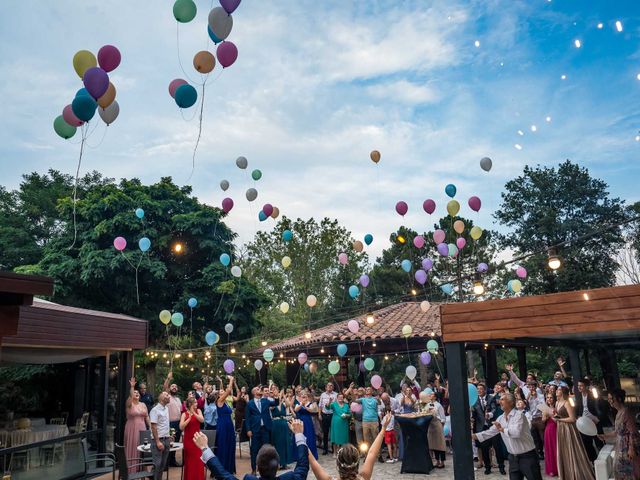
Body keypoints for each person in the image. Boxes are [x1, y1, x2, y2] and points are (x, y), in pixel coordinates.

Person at [195, 419, 309, 480]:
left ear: (257, 467)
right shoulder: (291, 478)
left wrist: (204, 447)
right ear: (278, 465)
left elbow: (222, 474)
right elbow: (303, 465)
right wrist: (298, 434)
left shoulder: (249, 479)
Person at [473, 393, 543, 480]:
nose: (499, 401)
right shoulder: (500, 418)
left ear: (510, 402)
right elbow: (489, 433)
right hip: (513, 458)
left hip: (528, 457)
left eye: (502, 399)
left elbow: (516, 433)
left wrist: (502, 429)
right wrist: (473, 436)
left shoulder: (519, 415)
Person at [308, 413, 392, 480]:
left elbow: (313, 462)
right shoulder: (365, 476)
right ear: (357, 461)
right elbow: (372, 453)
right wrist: (383, 428)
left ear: (337, 463)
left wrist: (299, 436)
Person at [554, 386, 595, 480]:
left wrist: (560, 419)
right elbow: (558, 416)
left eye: (559, 389)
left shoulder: (567, 403)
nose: (557, 391)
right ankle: (567, 473)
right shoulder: (557, 402)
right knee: (564, 449)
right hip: (560, 428)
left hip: (568, 428)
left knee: (572, 448)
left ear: (563, 392)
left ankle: (576, 472)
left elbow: (572, 418)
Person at [598, 388, 640, 480]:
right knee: (619, 469)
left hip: (627, 446)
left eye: (611, 398)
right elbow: (618, 432)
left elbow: (633, 432)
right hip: (620, 445)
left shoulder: (626, 412)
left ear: (619, 399)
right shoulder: (618, 413)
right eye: (608, 399)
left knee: (628, 470)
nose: (609, 401)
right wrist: (606, 436)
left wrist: (631, 448)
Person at [472, 383, 506, 475]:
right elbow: (474, 413)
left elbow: (494, 409)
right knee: (484, 449)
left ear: (485, 390)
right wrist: (472, 417)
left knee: (497, 448)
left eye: (480, 389)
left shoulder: (491, 398)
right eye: (477, 389)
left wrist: (489, 414)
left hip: (492, 426)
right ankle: (487, 467)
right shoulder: (474, 401)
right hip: (481, 428)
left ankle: (501, 467)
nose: (478, 390)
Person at [247, 385, 278, 474]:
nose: (259, 390)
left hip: (265, 429)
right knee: (254, 450)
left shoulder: (265, 401)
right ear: (253, 392)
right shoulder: (250, 403)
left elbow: (275, 403)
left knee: (267, 450)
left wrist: (275, 396)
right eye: (257, 389)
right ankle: (253, 469)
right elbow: (247, 418)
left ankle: (267, 469)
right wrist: (248, 430)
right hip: (255, 430)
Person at [124, 377, 150, 473]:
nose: (137, 394)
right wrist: (132, 387)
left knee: (142, 447)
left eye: (138, 393)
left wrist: (150, 427)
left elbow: (147, 416)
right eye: (135, 393)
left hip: (142, 427)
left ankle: (142, 469)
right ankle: (131, 469)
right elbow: (131, 397)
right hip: (132, 428)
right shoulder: (129, 404)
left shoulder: (143, 404)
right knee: (134, 446)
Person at [574, 378, 603, 462]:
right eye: (578, 385)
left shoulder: (593, 395)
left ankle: (602, 461)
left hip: (594, 421)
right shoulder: (578, 396)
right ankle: (593, 461)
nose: (579, 387)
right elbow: (577, 408)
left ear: (586, 387)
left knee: (599, 441)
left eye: (581, 385)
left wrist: (598, 418)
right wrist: (577, 417)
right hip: (584, 423)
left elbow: (602, 407)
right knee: (587, 444)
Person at [181, 396, 205, 480]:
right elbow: (181, 427)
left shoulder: (198, 411)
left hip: (197, 440)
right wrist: (189, 418)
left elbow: (202, 420)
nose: (197, 403)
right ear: (190, 404)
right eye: (195, 402)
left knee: (198, 460)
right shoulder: (184, 414)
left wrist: (194, 413)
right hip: (188, 441)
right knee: (190, 462)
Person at [216, 376, 237, 474]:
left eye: (222, 392)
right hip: (223, 426)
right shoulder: (219, 402)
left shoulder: (226, 403)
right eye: (220, 393)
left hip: (229, 425)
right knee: (223, 446)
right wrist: (231, 380)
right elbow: (228, 391)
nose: (222, 393)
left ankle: (229, 468)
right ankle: (222, 469)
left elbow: (228, 392)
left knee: (230, 445)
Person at [150, 391, 172, 480]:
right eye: (167, 395)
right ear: (162, 398)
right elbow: (153, 427)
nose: (169, 396)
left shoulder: (166, 408)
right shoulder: (155, 410)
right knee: (157, 465)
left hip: (166, 439)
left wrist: (169, 436)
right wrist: (158, 441)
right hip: (158, 440)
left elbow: (164, 424)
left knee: (163, 465)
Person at [270, 386, 293, 469]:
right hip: (275, 424)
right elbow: (272, 407)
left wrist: (283, 396)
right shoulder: (271, 402)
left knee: (285, 442)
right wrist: (277, 397)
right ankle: (277, 463)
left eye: (276, 389)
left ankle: (285, 463)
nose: (275, 391)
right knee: (277, 443)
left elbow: (289, 404)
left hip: (283, 423)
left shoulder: (283, 403)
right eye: (273, 390)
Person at [163, 372, 183, 467]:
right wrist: (168, 379)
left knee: (176, 442)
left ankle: (173, 460)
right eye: (172, 386)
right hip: (170, 423)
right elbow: (165, 387)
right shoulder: (168, 397)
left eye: (175, 387)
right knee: (169, 442)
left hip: (178, 423)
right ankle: (166, 461)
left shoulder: (178, 399)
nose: (174, 388)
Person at [293, 390, 318, 459]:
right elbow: (296, 410)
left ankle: (310, 454)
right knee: (300, 436)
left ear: (307, 397)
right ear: (300, 397)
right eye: (302, 396)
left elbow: (312, 410)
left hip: (308, 422)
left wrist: (305, 406)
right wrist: (301, 404)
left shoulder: (310, 403)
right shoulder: (298, 403)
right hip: (300, 421)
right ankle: (300, 454)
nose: (304, 398)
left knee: (309, 436)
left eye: (305, 396)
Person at [425, 392, 446, 469]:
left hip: (437, 424)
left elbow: (443, 417)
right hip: (431, 425)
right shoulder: (427, 405)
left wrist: (441, 424)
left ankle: (442, 462)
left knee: (440, 444)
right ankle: (437, 461)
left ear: (435, 397)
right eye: (429, 394)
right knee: (433, 444)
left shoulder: (439, 405)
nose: (430, 395)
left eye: (431, 394)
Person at [356, 387, 380, 452]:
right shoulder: (363, 399)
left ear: (372, 391)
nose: (367, 390)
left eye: (369, 389)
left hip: (374, 421)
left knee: (376, 438)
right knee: (366, 439)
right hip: (365, 421)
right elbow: (354, 400)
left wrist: (378, 398)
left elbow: (380, 403)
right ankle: (367, 454)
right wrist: (351, 390)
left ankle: (378, 454)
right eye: (366, 389)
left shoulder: (375, 399)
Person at [329, 393, 351, 457]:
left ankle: (343, 452)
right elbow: (327, 407)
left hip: (344, 424)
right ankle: (335, 453)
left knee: (344, 438)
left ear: (343, 398)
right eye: (339, 397)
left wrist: (346, 415)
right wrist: (329, 401)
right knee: (335, 438)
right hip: (335, 424)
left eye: (341, 397)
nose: (340, 399)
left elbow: (350, 414)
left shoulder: (346, 405)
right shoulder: (334, 404)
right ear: (337, 398)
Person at [318, 383, 337, 456]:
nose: (330, 386)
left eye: (331, 385)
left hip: (333, 415)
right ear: (326, 387)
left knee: (333, 432)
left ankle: (333, 449)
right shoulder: (323, 395)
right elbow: (320, 405)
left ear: (333, 387)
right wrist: (319, 414)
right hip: (324, 415)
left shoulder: (336, 394)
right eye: (328, 385)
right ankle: (325, 449)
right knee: (325, 433)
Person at [542, 392, 558, 477]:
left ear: (554, 399)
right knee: (550, 449)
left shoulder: (557, 406)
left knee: (557, 448)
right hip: (548, 429)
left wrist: (552, 415)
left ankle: (559, 467)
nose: (549, 399)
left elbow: (558, 420)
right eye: (547, 397)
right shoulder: (545, 408)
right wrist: (546, 415)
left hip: (557, 429)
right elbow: (543, 420)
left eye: (551, 397)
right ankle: (552, 469)